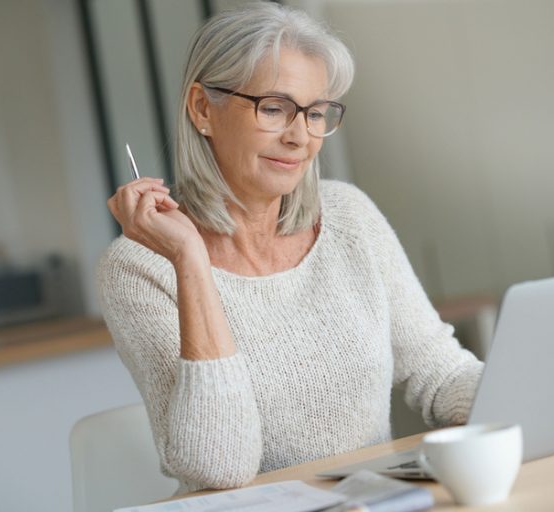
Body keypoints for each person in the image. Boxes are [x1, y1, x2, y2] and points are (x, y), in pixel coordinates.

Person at [98, 2, 482, 495]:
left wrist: (531, 394)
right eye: (274, 108)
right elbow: (217, 466)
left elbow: (440, 373)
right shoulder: (138, 268)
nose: (300, 137)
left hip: (375, 504)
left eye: (316, 112)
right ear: (201, 109)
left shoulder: (348, 216)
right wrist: (190, 260)